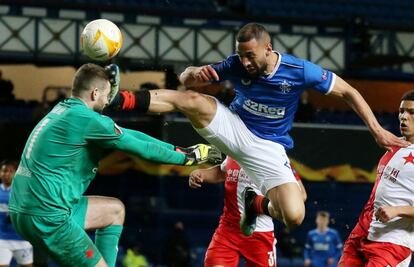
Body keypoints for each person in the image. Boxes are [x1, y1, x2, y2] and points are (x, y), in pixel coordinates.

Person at [110, 22, 408, 235]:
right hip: (234, 126)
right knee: (191, 100)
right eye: (240, 55)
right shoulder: (235, 64)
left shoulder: (299, 70)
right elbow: (186, 79)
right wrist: (194, 74)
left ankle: (256, 204)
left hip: (268, 146)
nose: (244, 61)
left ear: (268, 48)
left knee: (294, 215)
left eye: (250, 55)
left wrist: (377, 130)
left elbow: (348, 91)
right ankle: (119, 99)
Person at [8, 63, 221, 267]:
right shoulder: (87, 120)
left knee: (114, 211)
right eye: (107, 94)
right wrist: (186, 156)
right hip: (48, 216)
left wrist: (180, 150)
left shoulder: (64, 110)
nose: (109, 100)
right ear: (94, 94)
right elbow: (140, 147)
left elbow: (129, 135)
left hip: (25, 209)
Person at [338, 91, 414, 267]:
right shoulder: (394, 145)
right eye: (401, 111)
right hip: (361, 233)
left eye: (411, 112)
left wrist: (397, 210)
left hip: (392, 243)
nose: (404, 116)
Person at [188, 156, 307, 266]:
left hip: (260, 235)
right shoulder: (234, 149)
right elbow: (221, 172)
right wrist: (201, 173)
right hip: (228, 231)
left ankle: (255, 203)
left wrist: (261, 204)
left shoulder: (274, 156)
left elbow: (301, 195)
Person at [0, 160, 33, 267]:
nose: (7, 174)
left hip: (22, 239)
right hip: (2, 240)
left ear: (15, 173)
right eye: (4, 171)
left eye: (11, 171)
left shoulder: (23, 191)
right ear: (0, 172)